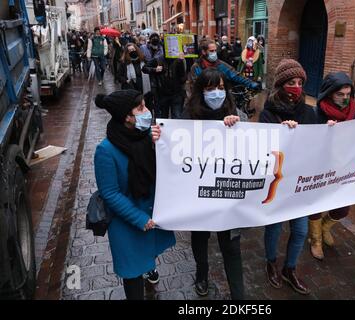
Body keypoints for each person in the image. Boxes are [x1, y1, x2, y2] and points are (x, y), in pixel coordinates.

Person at [94, 90, 176, 300]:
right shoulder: (105, 150)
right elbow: (110, 193)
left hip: (150, 212)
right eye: (140, 108)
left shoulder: (148, 137)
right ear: (127, 117)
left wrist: (163, 142)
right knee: (132, 275)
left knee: (147, 256)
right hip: (127, 224)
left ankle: (150, 268)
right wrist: (140, 219)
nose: (147, 111)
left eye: (146, 105)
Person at [183, 68, 244, 300]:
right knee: (200, 237)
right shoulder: (189, 115)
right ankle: (202, 273)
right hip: (199, 194)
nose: (217, 93)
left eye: (220, 88)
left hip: (227, 196)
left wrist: (237, 125)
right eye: (210, 89)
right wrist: (160, 138)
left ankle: (239, 296)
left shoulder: (235, 113)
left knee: (231, 246)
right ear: (201, 92)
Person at [259, 59, 315, 295]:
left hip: (299, 182)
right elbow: (265, 147)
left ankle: (289, 269)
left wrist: (332, 129)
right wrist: (284, 132)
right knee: (275, 227)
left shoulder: (308, 111)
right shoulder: (268, 113)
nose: (296, 87)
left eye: (300, 82)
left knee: (300, 230)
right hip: (278, 182)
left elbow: (318, 140)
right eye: (291, 82)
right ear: (281, 85)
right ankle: (271, 262)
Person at [308, 71, 355, 260]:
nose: (345, 98)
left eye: (348, 94)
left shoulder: (354, 112)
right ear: (330, 93)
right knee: (317, 203)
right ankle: (315, 239)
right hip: (320, 168)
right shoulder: (315, 113)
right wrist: (324, 132)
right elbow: (306, 142)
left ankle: (324, 227)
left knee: (343, 207)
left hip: (343, 167)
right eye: (340, 94)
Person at [188, 39, 260, 94]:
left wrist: (251, 84)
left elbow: (235, 75)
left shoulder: (220, 64)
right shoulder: (196, 67)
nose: (214, 53)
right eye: (211, 51)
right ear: (204, 52)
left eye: (215, 51)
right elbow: (194, 87)